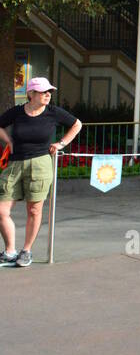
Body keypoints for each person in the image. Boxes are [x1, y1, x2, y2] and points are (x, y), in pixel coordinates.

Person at [0, 78, 82, 268]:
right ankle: (10, 250)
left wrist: (61, 143)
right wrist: (8, 142)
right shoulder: (18, 112)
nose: (48, 94)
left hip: (40, 163)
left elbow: (77, 124)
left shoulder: (53, 112)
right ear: (31, 94)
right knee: (2, 210)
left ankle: (26, 251)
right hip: (14, 164)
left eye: (49, 92)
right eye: (43, 91)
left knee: (34, 210)